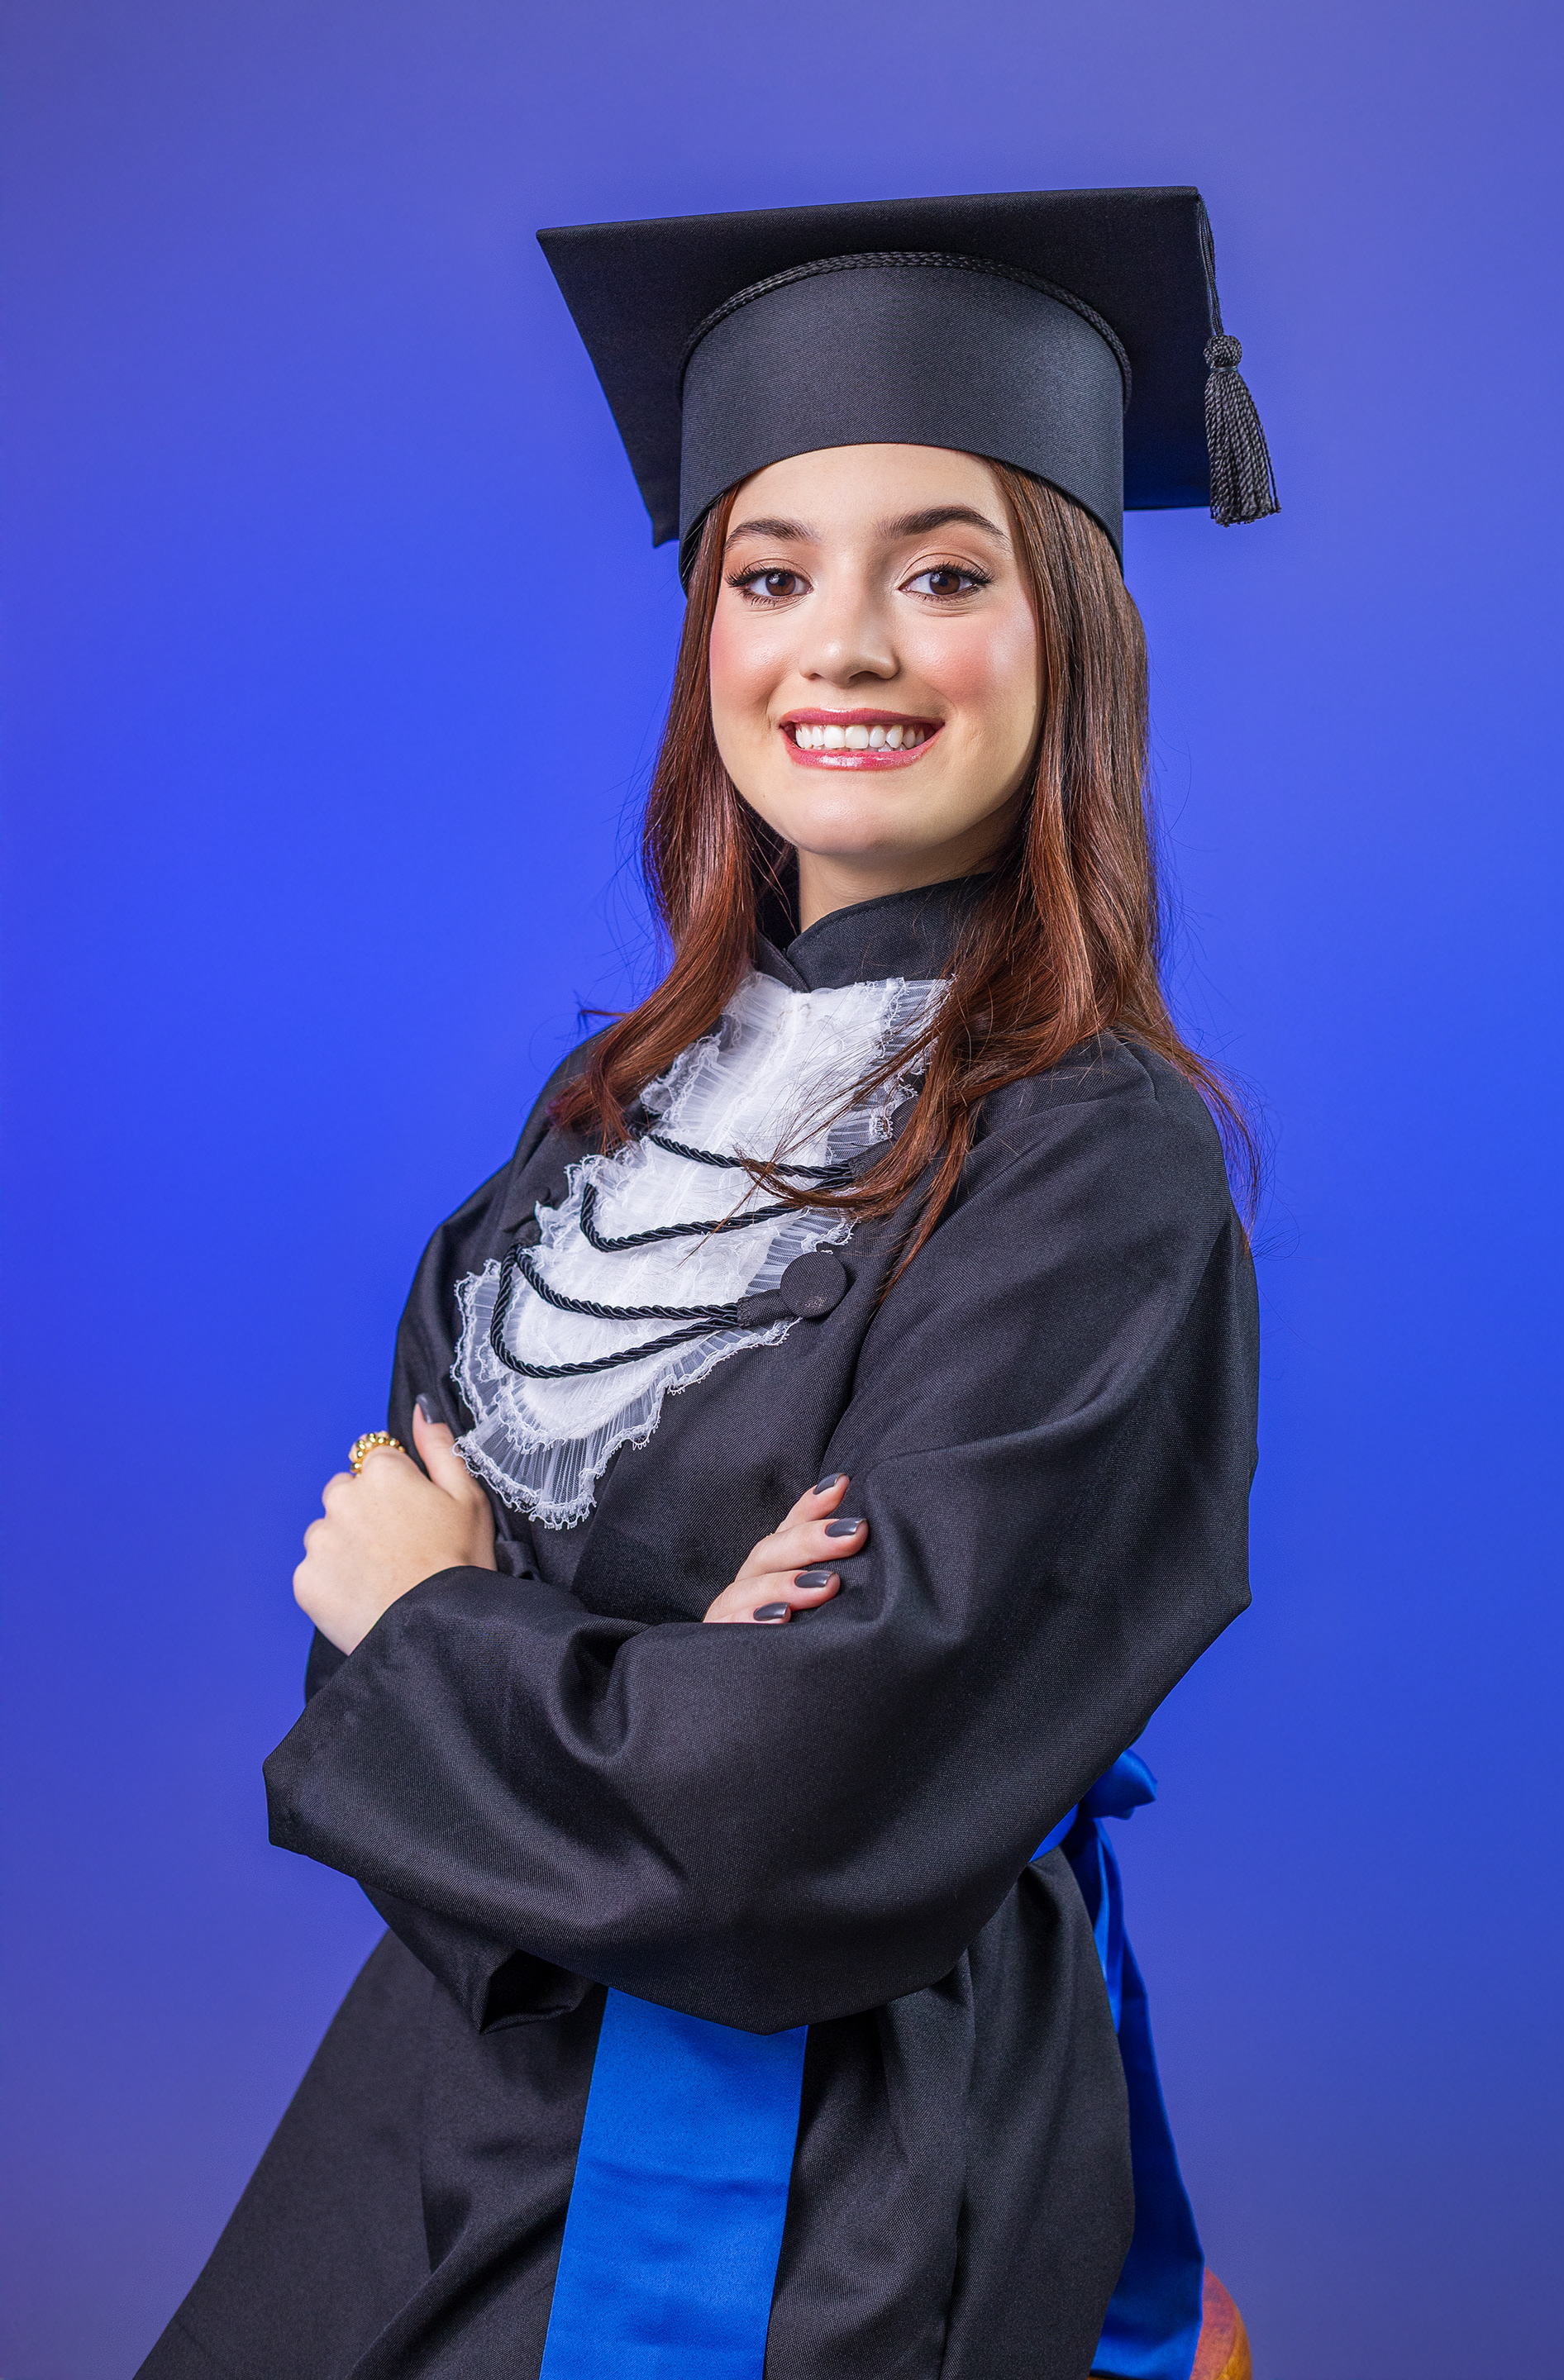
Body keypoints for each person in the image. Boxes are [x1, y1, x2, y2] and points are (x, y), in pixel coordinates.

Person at [138, 185, 1275, 2380]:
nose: (842, 649)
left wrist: (468, 1629)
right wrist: (653, 1683)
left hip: (820, 2172)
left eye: (942, 574)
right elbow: (348, 1670)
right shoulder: (613, 1104)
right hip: (462, 2072)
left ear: (1068, 635)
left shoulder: (1091, 1156)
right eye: (771, 574)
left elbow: (803, 1810)